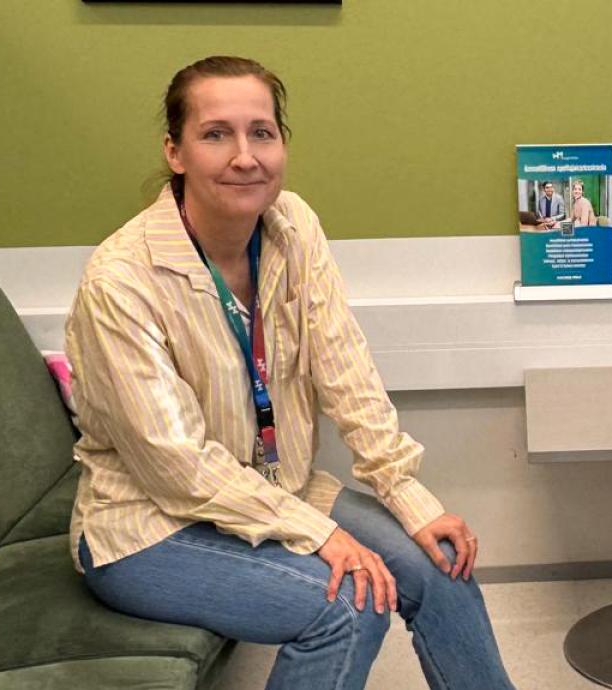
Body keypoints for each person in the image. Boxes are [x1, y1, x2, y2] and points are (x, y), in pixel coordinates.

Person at [64, 56, 513, 690]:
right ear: (176, 151)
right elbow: (180, 467)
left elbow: (345, 368)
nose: (244, 156)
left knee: (441, 565)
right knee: (348, 605)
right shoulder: (121, 282)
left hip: (279, 488)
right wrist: (319, 533)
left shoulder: (293, 226)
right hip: (148, 528)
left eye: (262, 132)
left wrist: (409, 497)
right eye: (216, 133)